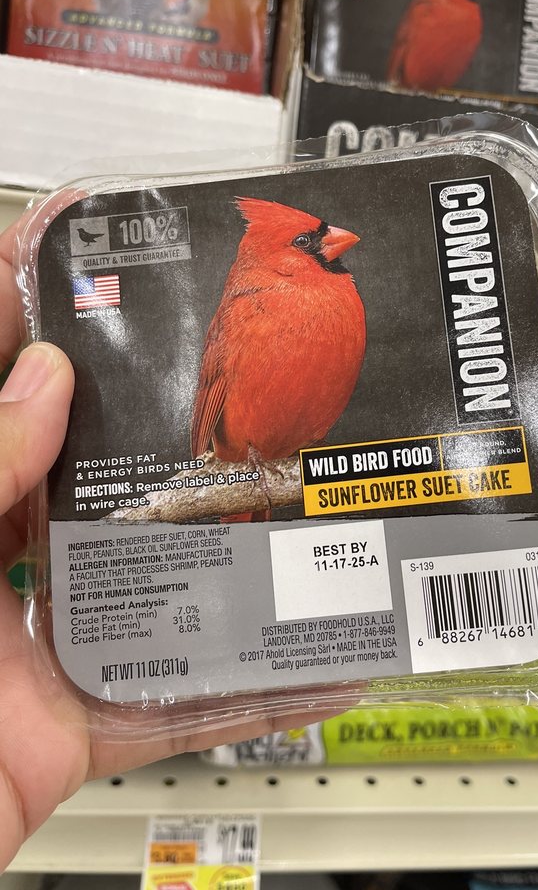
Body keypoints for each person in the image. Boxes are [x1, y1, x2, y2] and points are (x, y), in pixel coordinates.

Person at [0, 219, 332, 872]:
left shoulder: (331, 298)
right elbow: (217, 395)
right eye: (306, 241)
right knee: (239, 550)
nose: (332, 240)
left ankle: (250, 605)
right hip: (238, 457)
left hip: (282, 463)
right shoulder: (247, 309)